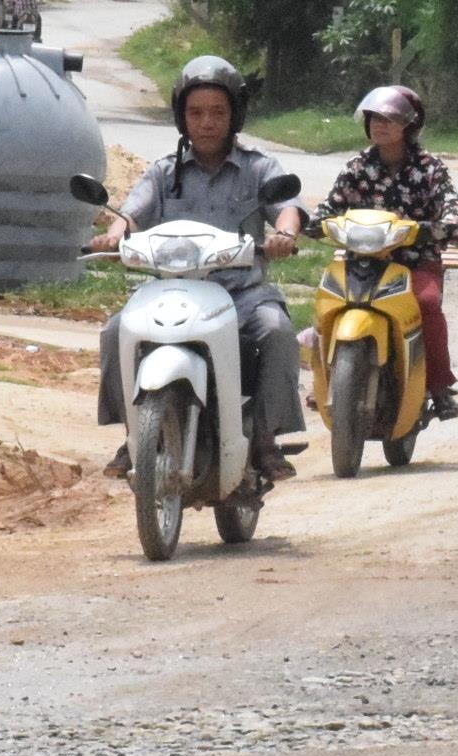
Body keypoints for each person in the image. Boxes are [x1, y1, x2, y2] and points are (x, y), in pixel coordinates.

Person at [92, 54, 307, 480]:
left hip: (241, 295)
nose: (206, 122)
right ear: (181, 117)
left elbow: (289, 209)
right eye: (195, 113)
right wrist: (115, 235)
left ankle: (264, 436)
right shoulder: (163, 172)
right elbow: (132, 213)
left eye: (217, 112)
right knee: (117, 330)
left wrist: (284, 234)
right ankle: (133, 434)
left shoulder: (259, 167)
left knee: (279, 331)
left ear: (235, 116)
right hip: (171, 291)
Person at [311, 84, 458, 419]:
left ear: (409, 126)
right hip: (361, 261)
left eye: (389, 119)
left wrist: (440, 226)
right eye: (374, 118)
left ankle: (439, 386)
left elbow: (451, 207)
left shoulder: (430, 168)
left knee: (425, 303)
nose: (380, 125)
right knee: (327, 302)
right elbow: (329, 206)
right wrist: (313, 223)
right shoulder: (356, 167)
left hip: (414, 261)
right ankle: (324, 381)